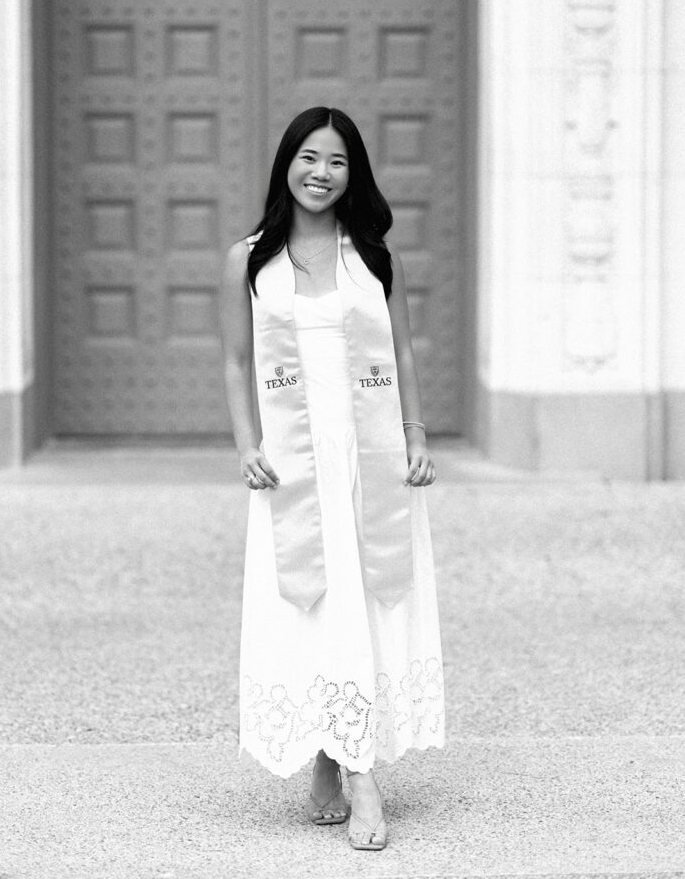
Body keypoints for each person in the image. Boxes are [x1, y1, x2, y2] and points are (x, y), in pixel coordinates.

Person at [220, 106, 444, 851]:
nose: (321, 172)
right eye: (309, 157)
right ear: (286, 163)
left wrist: (414, 437)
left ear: (355, 174)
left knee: (365, 600)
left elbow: (403, 354)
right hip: (291, 463)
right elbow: (233, 361)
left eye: (338, 160)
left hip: (368, 456)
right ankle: (339, 758)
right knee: (313, 603)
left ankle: (352, 769)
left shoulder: (373, 258)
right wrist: (246, 442)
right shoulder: (250, 259)